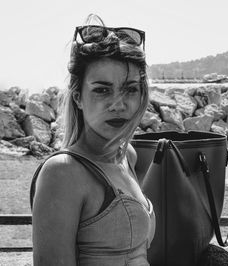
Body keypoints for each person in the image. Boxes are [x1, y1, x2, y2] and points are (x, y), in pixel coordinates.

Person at [30, 14, 155, 266]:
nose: (118, 104)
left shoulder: (126, 155)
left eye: (130, 88)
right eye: (102, 90)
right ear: (77, 97)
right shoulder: (63, 173)